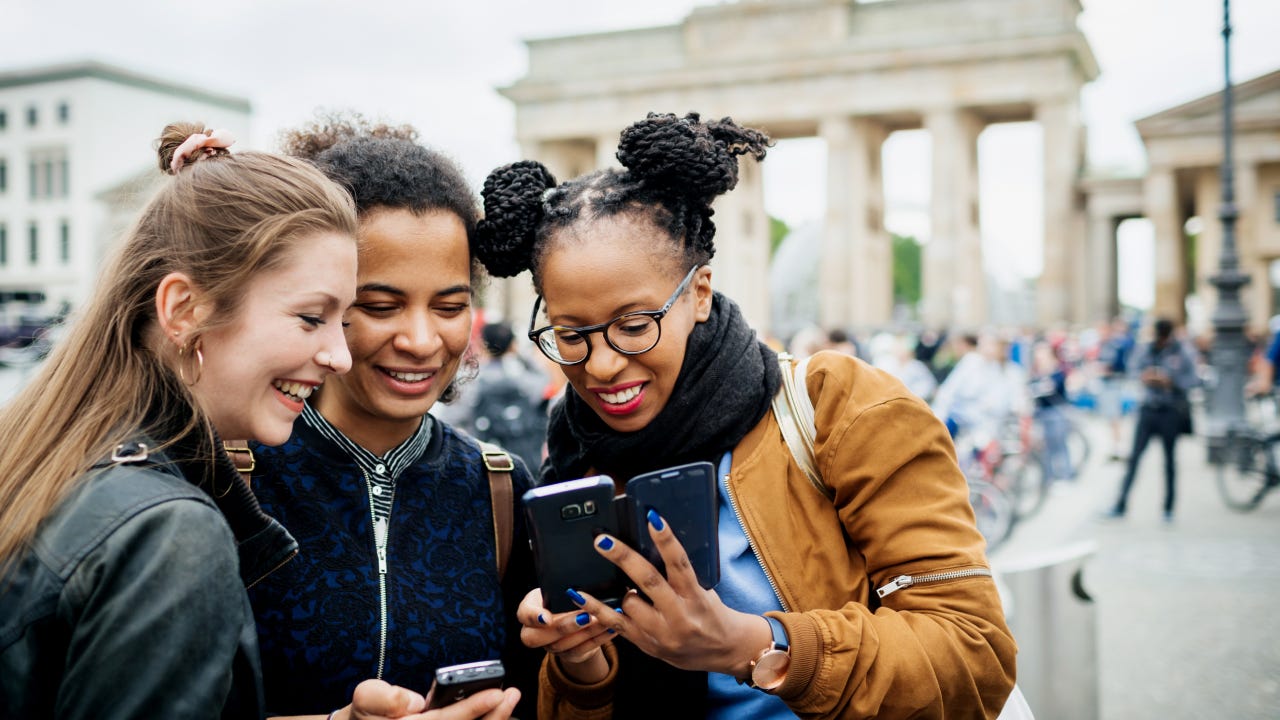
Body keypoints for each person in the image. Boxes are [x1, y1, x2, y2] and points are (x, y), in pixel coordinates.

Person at [473, 112, 1016, 718]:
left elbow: (975, 657)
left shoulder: (841, 408)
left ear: (699, 292)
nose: (600, 366)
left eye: (633, 325)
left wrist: (754, 646)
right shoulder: (575, 458)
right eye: (571, 335)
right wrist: (581, 663)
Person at [0, 122, 447, 719]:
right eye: (312, 318)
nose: (339, 356)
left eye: (344, 321)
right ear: (184, 309)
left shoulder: (55, 456)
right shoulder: (169, 532)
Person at [244, 114, 533, 720]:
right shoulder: (228, 478)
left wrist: (586, 669)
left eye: (450, 306)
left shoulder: (502, 489)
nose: (422, 339)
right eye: (381, 305)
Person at [1106, 317, 1200, 523]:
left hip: (1170, 411)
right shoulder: (1145, 349)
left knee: (1169, 462)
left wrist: (1170, 381)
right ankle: (1120, 504)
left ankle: (1168, 509)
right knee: (1134, 459)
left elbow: (1193, 379)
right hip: (1148, 410)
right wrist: (1145, 377)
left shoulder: (1182, 351)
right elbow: (1132, 370)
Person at [457, 322, 550, 470]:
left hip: (486, 463)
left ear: (482, 344)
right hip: (525, 462)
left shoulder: (470, 382)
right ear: (512, 345)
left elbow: (453, 418)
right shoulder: (525, 381)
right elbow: (544, 378)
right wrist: (519, 353)